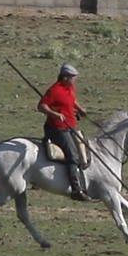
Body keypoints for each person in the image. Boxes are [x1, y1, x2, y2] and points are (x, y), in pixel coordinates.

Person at [37, 63, 90, 202]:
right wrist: (54, 114)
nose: (75, 80)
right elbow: (41, 106)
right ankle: (76, 189)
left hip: (71, 125)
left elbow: (71, 100)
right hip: (57, 128)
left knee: (83, 146)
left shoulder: (70, 88)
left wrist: (80, 109)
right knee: (72, 155)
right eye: (73, 77)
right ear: (65, 77)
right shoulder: (54, 90)